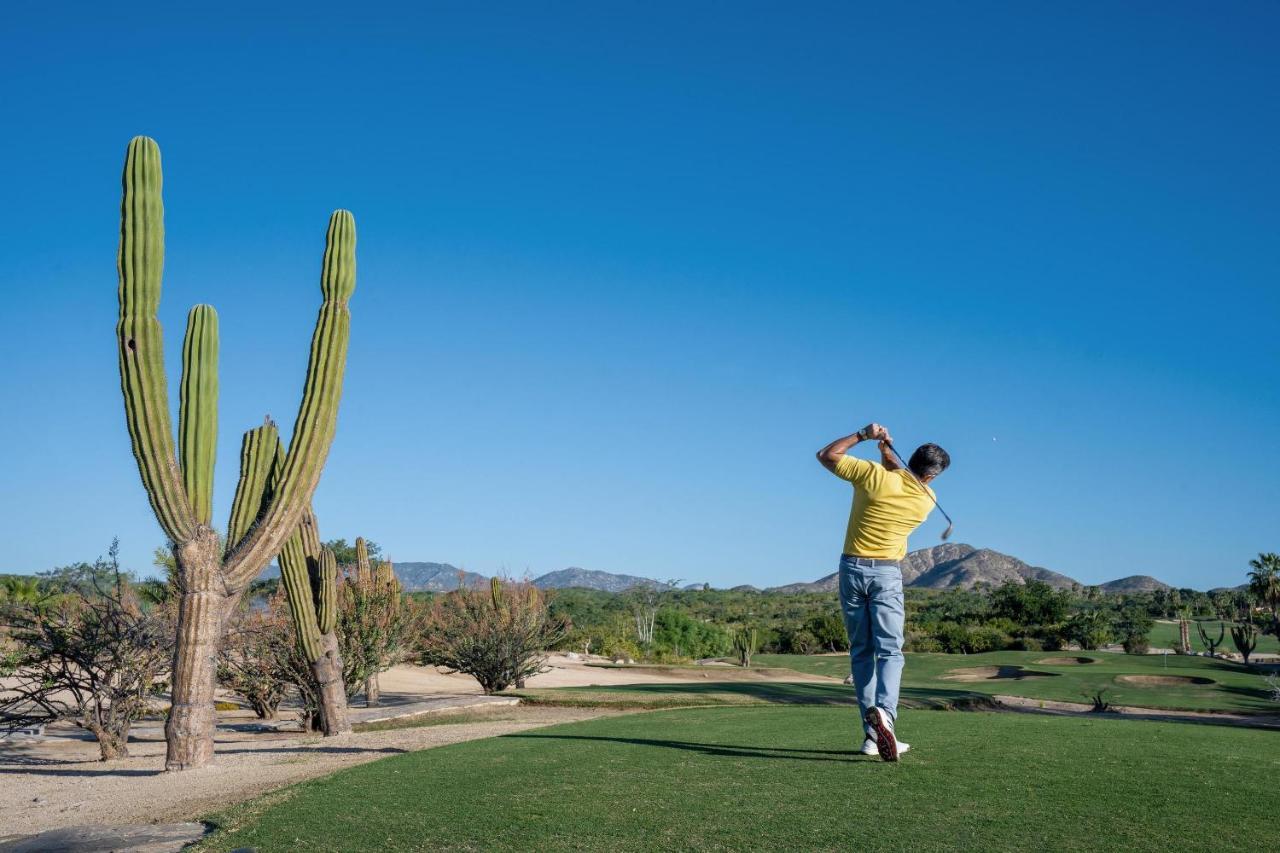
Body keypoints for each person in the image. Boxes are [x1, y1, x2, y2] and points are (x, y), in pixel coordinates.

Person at [816, 423, 950, 761]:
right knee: (890, 652)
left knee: (862, 652)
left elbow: (827, 455)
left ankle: (872, 735)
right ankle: (885, 718)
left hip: (850, 570)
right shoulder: (928, 499)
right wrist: (887, 452)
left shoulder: (872, 476)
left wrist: (865, 437)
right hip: (887, 575)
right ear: (932, 476)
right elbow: (902, 475)